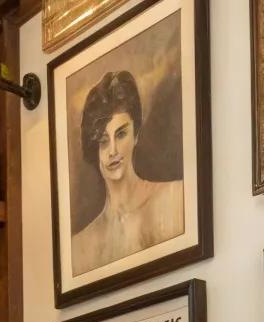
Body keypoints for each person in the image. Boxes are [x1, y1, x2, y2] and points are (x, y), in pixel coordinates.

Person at [71, 70, 183, 276]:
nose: (113, 150)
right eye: (103, 141)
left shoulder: (176, 197)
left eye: (121, 134)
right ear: (93, 148)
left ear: (136, 134)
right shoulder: (79, 249)